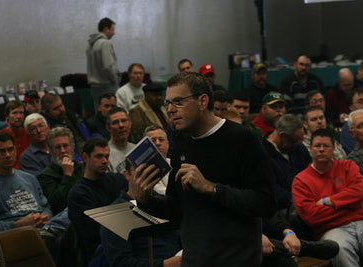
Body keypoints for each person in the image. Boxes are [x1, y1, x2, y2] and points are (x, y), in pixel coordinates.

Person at [134, 72, 276, 266]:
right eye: (168, 103)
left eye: (178, 102)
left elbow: (265, 202)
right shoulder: (180, 141)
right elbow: (178, 212)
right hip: (195, 259)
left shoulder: (242, 139)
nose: (170, 110)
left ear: (202, 101)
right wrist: (145, 199)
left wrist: (212, 188)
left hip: (236, 260)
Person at [292, 128, 363, 267]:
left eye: (326, 146)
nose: (321, 149)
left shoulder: (347, 166)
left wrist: (329, 201)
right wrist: (349, 204)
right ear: (311, 149)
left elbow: (360, 192)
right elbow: (311, 215)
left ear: (333, 149)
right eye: (317, 146)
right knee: (342, 253)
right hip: (331, 229)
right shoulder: (301, 180)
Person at [100, 159, 182, 267]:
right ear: (127, 175)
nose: (146, 173)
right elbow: (120, 262)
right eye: (140, 170)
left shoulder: (164, 203)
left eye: (150, 169)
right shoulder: (114, 215)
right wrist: (163, 265)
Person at [67, 137, 126, 261]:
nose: (105, 161)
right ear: (85, 157)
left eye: (107, 156)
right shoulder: (78, 194)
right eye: (99, 156)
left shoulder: (118, 180)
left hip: (128, 242)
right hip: (102, 252)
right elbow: (95, 231)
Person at [0, 132, 52, 236]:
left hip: (43, 228)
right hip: (15, 235)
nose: (8, 155)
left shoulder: (30, 178)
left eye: (10, 149)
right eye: (1, 151)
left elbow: (46, 207)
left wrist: (44, 216)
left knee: (71, 214)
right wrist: (19, 224)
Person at [262, 114, 311, 211]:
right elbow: (271, 190)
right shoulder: (262, 154)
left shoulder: (299, 148)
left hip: (306, 200)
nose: (296, 144)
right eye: (293, 141)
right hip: (281, 208)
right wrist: (298, 199)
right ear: (282, 135)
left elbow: (310, 173)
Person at [37, 127, 84, 215]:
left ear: (72, 147)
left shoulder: (83, 168)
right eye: (58, 147)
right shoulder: (45, 176)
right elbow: (59, 205)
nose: (63, 151)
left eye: (65, 146)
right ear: (50, 150)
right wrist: (67, 175)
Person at [41, 93, 96, 158]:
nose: (61, 109)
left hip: (90, 149)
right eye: (56, 109)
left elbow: (90, 131)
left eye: (61, 105)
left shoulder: (72, 115)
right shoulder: (51, 129)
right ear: (47, 112)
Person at [86, 17, 120, 106]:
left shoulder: (90, 44)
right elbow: (107, 66)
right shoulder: (105, 43)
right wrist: (115, 79)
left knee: (100, 114)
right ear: (106, 29)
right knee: (111, 115)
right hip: (107, 86)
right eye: (112, 30)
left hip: (94, 87)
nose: (114, 33)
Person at [0, 100, 29, 169]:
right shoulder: (1, 136)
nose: (18, 116)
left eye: (21, 113)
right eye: (15, 113)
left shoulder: (28, 133)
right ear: (7, 116)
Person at [107, 107, 135, 173]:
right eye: (115, 122)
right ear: (108, 127)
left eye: (124, 121)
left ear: (130, 124)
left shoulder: (137, 149)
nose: (121, 125)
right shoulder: (105, 154)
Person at [144, 125, 170, 196]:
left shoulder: (175, 163)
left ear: (167, 144)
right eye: (153, 140)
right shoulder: (144, 171)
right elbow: (164, 193)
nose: (157, 143)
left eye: (161, 139)